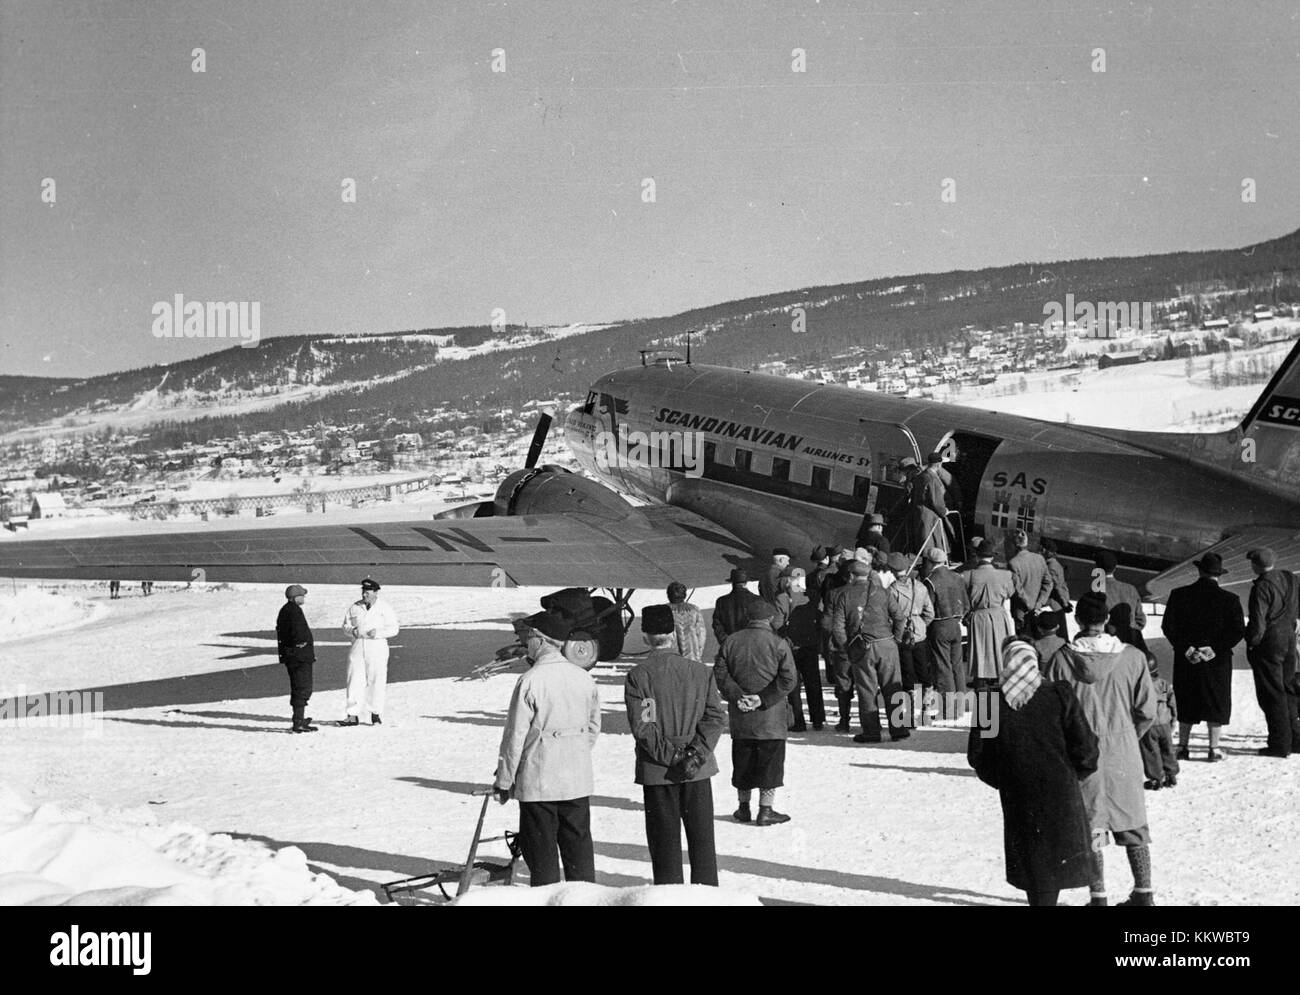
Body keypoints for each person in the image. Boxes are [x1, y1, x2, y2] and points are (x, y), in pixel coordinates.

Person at [1043, 592, 1158, 906]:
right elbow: (1147, 711)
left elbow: (1051, 714)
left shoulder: (1061, 660)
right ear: (1107, 619)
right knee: (1133, 822)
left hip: (1081, 756)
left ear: (1077, 620)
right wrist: (1126, 737)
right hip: (1123, 752)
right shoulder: (1133, 657)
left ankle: (1098, 895)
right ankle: (1144, 892)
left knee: (1091, 826)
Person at [968, 639, 1099, 907]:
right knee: (1055, 859)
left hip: (1019, 794)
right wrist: (1072, 776)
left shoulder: (989, 701)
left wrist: (1007, 779)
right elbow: (1086, 748)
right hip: (1061, 792)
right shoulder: (1059, 694)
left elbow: (979, 757)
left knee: (1034, 862)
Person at [494, 610, 601, 886]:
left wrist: (505, 780)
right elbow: (593, 727)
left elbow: (515, 737)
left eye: (529, 637)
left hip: (538, 781)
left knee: (542, 860)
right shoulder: (583, 677)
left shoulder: (530, 680)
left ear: (540, 640)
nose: (526, 642)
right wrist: (573, 752)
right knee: (579, 853)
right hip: (576, 780)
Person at [624, 605, 727, 885]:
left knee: (665, 845)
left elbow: (643, 727)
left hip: (658, 771)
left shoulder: (638, 675)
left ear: (646, 637)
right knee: (703, 843)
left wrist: (672, 757)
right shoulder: (699, 671)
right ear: (673, 633)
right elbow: (715, 717)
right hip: (697, 769)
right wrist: (694, 754)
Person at [714, 599, 798, 825]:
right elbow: (789, 679)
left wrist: (737, 695)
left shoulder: (730, 642)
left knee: (743, 763)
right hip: (770, 718)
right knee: (770, 764)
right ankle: (766, 810)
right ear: (770, 619)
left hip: (741, 718)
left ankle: (743, 808)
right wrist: (762, 698)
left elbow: (721, 675)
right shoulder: (778, 643)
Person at [1161, 552, 1245, 762]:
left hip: (1187, 658)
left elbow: (1168, 627)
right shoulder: (1230, 600)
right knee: (1216, 701)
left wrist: (1186, 649)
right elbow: (1237, 631)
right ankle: (1213, 748)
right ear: (1219, 575)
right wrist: (1213, 649)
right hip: (1216, 661)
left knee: (1186, 699)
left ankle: (1182, 747)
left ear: (1199, 570)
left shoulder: (1178, 594)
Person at [832, 559, 908, 742]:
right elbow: (899, 618)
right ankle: (898, 730)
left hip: (861, 647)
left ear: (851, 576)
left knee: (867, 690)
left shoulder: (844, 594)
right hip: (887, 645)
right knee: (892, 687)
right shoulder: (883, 591)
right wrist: (896, 640)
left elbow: (838, 627)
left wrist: (847, 648)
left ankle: (872, 732)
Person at [1245, 547, 1300, 758]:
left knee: (1272, 694)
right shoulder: (1289, 577)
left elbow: (1258, 623)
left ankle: (1279, 744)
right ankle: (1296, 739)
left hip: (1269, 645)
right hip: (1288, 639)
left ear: (1255, 566)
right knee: (1287, 689)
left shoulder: (1261, 587)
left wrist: (1251, 642)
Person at [340, 578, 400, 726]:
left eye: (367, 592)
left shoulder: (385, 608)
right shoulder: (354, 607)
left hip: (377, 647)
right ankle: (352, 715)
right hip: (358, 646)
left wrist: (378, 632)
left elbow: (394, 629)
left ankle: (375, 713)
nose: (364, 595)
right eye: (363, 591)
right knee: (354, 680)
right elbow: (345, 626)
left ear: (375, 592)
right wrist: (352, 631)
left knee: (377, 680)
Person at [887, 551, 934, 718]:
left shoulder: (891, 590)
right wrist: (919, 625)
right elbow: (930, 613)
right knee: (923, 671)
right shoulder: (920, 587)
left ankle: (909, 712)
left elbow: (889, 617)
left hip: (901, 636)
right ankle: (926, 708)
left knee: (907, 674)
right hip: (920, 633)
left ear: (892, 570)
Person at [964, 539, 1017, 691]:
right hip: (999, 615)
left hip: (978, 616)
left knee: (980, 650)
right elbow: (1009, 594)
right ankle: (997, 682)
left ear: (977, 556)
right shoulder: (1006, 575)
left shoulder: (968, 575)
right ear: (992, 557)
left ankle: (980, 682)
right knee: (999, 649)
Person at [923, 546, 970, 697]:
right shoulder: (957, 577)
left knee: (943, 666)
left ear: (930, 562)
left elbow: (928, 609)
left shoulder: (930, 580)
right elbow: (966, 604)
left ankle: (949, 707)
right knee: (957, 665)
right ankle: (961, 702)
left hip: (939, 626)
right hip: (955, 625)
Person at [784, 570, 826, 732]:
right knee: (813, 683)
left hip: (793, 646)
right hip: (810, 645)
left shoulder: (786, 598)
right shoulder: (813, 600)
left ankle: (798, 720)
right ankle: (817, 719)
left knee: (793, 685)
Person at [276, 584, 316, 734]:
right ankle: (298, 722)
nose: (304, 597)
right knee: (302, 688)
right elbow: (297, 633)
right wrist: (301, 644)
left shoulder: (286, 610)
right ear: (296, 597)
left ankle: (299, 719)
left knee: (299, 687)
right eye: (302, 595)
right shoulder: (294, 611)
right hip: (299, 657)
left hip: (293, 656)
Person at [1139, 657, 1179, 790]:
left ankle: (1156, 778)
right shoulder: (1164, 684)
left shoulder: (1141, 686)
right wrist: (1173, 719)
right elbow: (1172, 703)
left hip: (1149, 725)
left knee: (1151, 751)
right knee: (1168, 748)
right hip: (1164, 723)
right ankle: (1171, 775)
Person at [1007, 529, 1052, 636]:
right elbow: (1048, 583)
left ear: (1014, 545)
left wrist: (1030, 605)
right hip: (1037, 610)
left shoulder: (1013, 563)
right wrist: (1039, 603)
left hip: (1021, 612)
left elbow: (1018, 590)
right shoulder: (1039, 558)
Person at [1095, 551, 1145, 632]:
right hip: (1131, 639)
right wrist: (1133, 632)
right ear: (1115, 568)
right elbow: (1141, 619)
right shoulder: (1131, 589)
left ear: (1097, 569)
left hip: (1108, 641)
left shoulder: (1096, 592)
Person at [712, 568, 764, 645]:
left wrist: (725, 641)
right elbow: (762, 625)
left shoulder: (722, 601)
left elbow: (717, 625)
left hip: (730, 644)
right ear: (746, 582)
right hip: (752, 644)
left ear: (732, 583)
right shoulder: (757, 600)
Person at [666, 581, 707, 663]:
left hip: (671, 658)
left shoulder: (664, 611)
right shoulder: (694, 610)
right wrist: (698, 654)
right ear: (684, 595)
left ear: (668, 595)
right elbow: (701, 634)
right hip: (692, 657)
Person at [1039, 537, 1072, 637]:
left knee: (1059, 634)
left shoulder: (1050, 566)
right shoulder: (1054, 563)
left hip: (1054, 603)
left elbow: (1056, 586)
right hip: (1058, 603)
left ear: (1045, 550)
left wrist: (1064, 603)